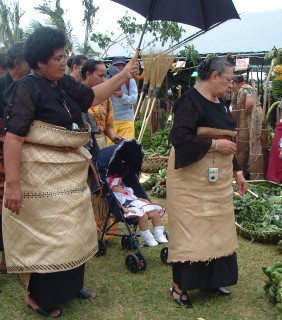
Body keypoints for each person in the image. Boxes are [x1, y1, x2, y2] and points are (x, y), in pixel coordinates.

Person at [2, 26, 139, 317]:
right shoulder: (26, 89)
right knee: (49, 236)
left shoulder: (62, 82)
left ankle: (72, 286)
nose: (64, 62)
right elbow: (14, 138)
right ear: (39, 62)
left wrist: (124, 75)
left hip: (71, 173)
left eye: (65, 56)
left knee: (75, 230)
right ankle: (38, 297)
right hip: (40, 176)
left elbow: (91, 96)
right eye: (57, 58)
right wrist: (13, 185)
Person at [166, 57, 247, 308]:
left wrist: (237, 172)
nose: (231, 84)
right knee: (191, 232)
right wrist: (214, 145)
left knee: (216, 229)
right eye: (228, 79)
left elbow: (227, 140)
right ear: (214, 76)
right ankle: (179, 288)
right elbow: (179, 137)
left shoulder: (219, 103)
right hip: (190, 180)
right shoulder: (189, 101)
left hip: (217, 178)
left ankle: (213, 280)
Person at [0, 42, 31, 275]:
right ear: (16, 64)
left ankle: (16, 254)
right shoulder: (2, 87)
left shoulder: (26, 85)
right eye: (29, 62)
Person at [107, 176, 168, 246]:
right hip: (131, 209)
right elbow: (118, 205)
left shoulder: (127, 191)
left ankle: (158, 233)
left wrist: (143, 200)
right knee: (143, 215)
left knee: (155, 213)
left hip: (139, 205)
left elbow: (135, 198)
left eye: (120, 184)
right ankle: (147, 236)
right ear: (111, 189)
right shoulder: (116, 196)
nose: (120, 186)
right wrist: (125, 210)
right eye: (117, 186)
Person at [80, 59, 123, 148]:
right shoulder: (77, 94)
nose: (103, 80)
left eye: (104, 76)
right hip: (83, 144)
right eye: (100, 76)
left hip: (102, 143)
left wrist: (113, 137)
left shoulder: (104, 96)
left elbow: (108, 123)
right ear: (88, 74)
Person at [231, 75, 254, 177]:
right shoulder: (240, 90)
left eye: (232, 84)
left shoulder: (246, 88)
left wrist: (244, 114)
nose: (230, 87)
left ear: (235, 83)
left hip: (250, 118)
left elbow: (249, 103)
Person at [110, 56, 138, 141]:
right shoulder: (106, 80)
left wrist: (121, 96)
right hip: (110, 121)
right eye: (117, 65)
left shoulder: (130, 80)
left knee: (127, 147)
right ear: (113, 67)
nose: (120, 68)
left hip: (126, 119)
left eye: (122, 65)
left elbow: (133, 100)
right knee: (110, 149)